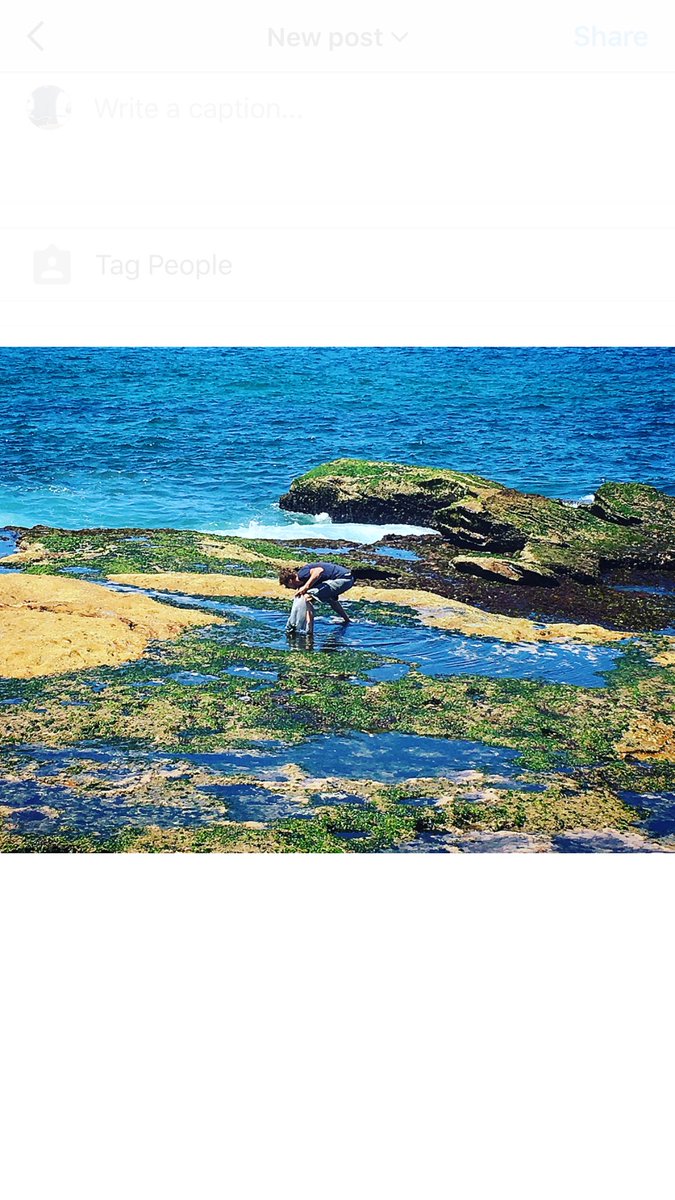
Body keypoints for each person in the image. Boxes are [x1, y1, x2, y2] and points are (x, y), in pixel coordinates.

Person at [279, 561, 354, 636]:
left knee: (308, 597)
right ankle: (347, 620)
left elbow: (319, 571)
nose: (287, 588)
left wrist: (306, 587)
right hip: (347, 578)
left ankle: (310, 631)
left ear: (290, 581)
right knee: (329, 598)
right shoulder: (304, 581)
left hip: (344, 579)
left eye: (287, 585)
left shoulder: (301, 575)